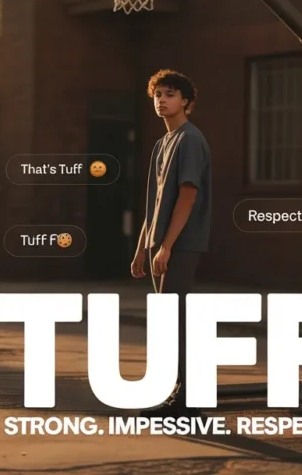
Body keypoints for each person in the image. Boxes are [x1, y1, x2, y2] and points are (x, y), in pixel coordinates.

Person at [130, 69, 212, 418]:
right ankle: (179, 393)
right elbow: (155, 201)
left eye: (170, 94)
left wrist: (167, 246)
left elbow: (187, 196)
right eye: (157, 95)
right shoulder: (163, 143)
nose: (161, 100)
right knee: (168, 320)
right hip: (160, 243)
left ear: (186, 102)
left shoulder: (190, 140)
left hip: (182, 242)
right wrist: (141, 249)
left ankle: (188, 398)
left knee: (174, 319)